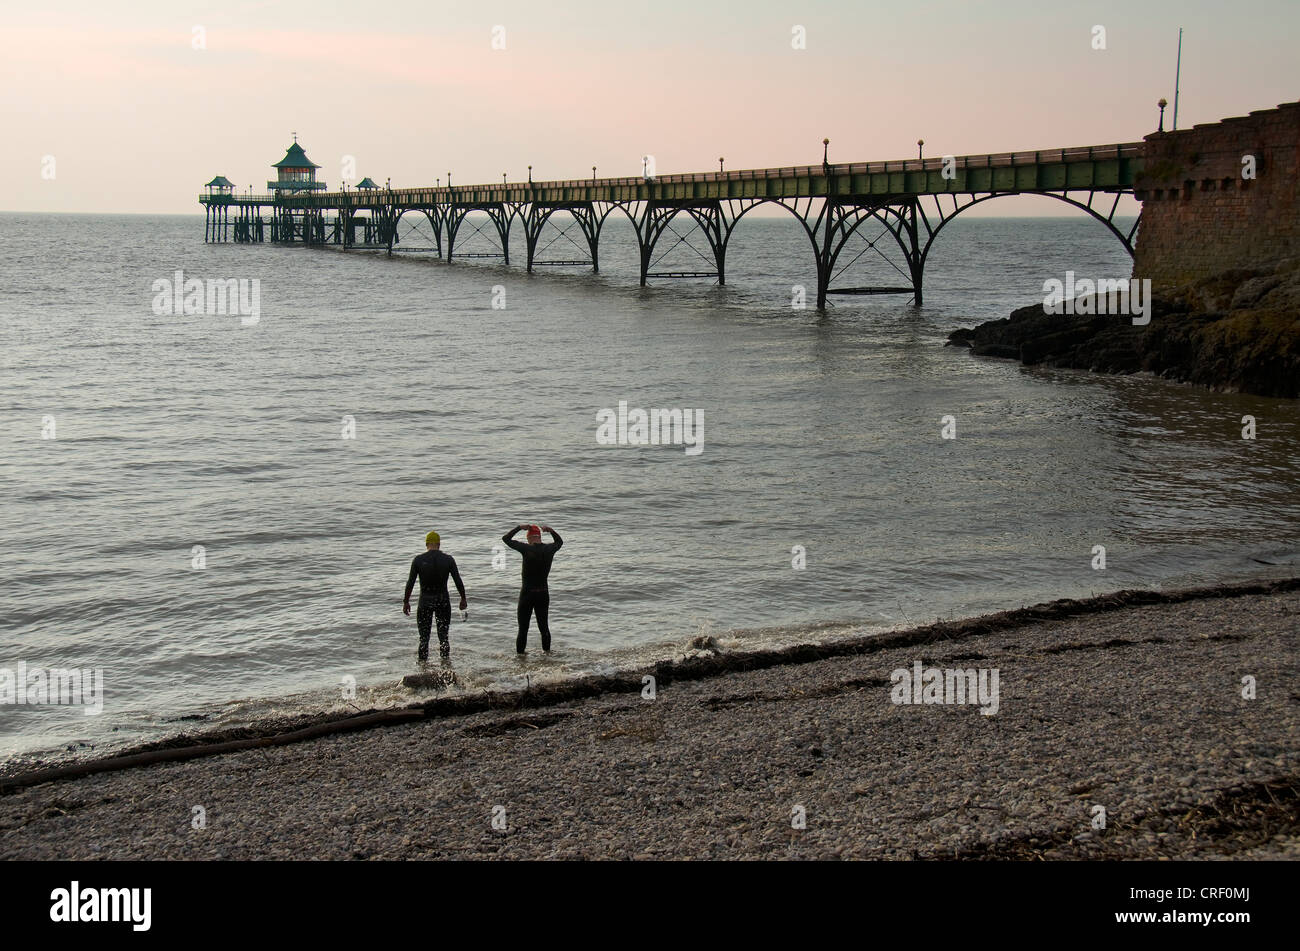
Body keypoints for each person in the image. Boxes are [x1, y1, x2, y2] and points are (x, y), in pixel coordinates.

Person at [403, 531, 467, 661]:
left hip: (424, 602)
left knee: (423, 639)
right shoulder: (448, 559)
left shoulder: (418, 560)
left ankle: (422, 669)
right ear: (439, 544)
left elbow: (410, 583)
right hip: (442, 601)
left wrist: (406, 602)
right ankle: (445, 668)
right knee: (443, 637)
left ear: (426, 544)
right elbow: (458, 580)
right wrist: (463, 598)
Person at [502, 523, 563, 654]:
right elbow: (560, 542)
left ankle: (520, 660)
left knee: (523, 629)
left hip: (527, 594)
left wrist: (518, 528)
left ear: (529, 537)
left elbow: (506, 539)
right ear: (539, 537)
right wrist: (551, 530)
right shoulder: (549, 549)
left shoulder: (526, 548)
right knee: (544, 628)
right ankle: (547, 656)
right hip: (543, 593)